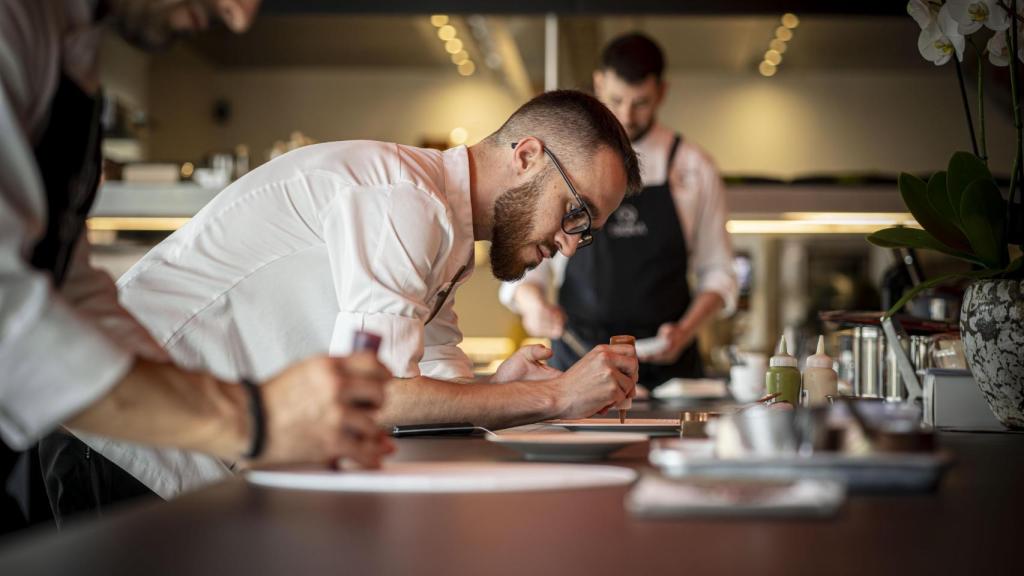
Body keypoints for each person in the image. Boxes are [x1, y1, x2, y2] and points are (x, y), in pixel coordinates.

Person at [81, 89, 644, 500]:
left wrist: (502, 388)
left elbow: (432, 397)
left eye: (587, 230)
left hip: (181, 444)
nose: (572, 246)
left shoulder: (446, 237)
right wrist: (554, 398)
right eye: (576, 213)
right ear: (526, 156)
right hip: (119, 435)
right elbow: (384, 397)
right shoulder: (404, 200)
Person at [0, 0, 391, 532]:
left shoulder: (75, 47)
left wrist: (243, 431)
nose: (239, 17)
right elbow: (9, 318)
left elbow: (70, 286)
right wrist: (252, 418)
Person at [500, 32, 737, 390]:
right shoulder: (564, 159)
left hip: (666, 372)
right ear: (599, 83)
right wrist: (532, 303)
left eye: (641, 103)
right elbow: (528, 259)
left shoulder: (694, 167)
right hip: (577, 359)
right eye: (616, 99)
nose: (626, 114)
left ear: (662, 91)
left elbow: (719, 272)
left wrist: (686, 331)